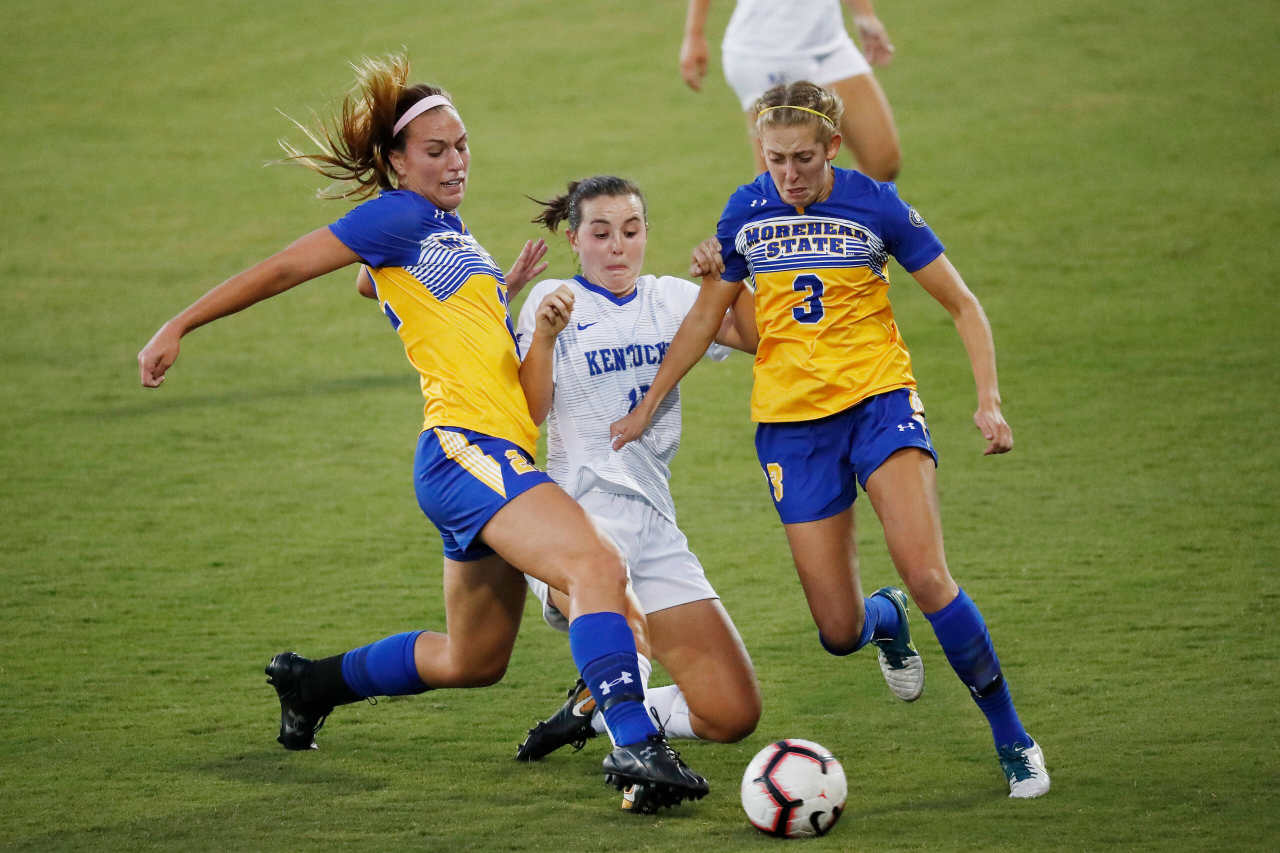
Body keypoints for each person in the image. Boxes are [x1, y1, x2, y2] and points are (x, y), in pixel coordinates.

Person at [135, 55, 708, 811]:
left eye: (462, 145)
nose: (455, 161)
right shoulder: (400, 216)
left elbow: (385, 286)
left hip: (486, 458)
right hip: (465, 451)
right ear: (396, 162)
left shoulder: (447, 233)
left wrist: (505, 300)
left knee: (473, 658)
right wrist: (180, 323)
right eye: (435, 151)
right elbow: (286, 268)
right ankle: (638, 745)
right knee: (596, 566)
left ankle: (311, 683)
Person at [610, 81, 1050, 799]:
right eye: (776, 158)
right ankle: (885, 621)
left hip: (880, 403)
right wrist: (648, 404)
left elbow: (962, 304)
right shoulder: (745, 212)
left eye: (804, 159)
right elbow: (704, 319)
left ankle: (1013, 737)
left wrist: (989, 402)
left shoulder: (875, 204)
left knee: (928, 572)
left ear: (833, 148)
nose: (788, 174)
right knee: (838, 629)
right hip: (791, 427)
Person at [494, 178, 762, 800]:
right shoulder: (550, 301)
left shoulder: (670, 299)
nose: (619, 247)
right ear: (574, 239)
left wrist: (730, 276)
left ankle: (596, 706)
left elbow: (753, 338)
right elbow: (530, 413)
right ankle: (635, 750)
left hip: (653, 520)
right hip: (576, 519)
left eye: (632, 231)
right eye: (602, 232)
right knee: (627, 629)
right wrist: (547, 337)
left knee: (731, 714)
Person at [680, 0, 901, 181]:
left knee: (881, 163)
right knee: (781, 184)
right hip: (767, 52)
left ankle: (834, 229)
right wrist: (694, 34)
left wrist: (865, 15)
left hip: (829, 42)